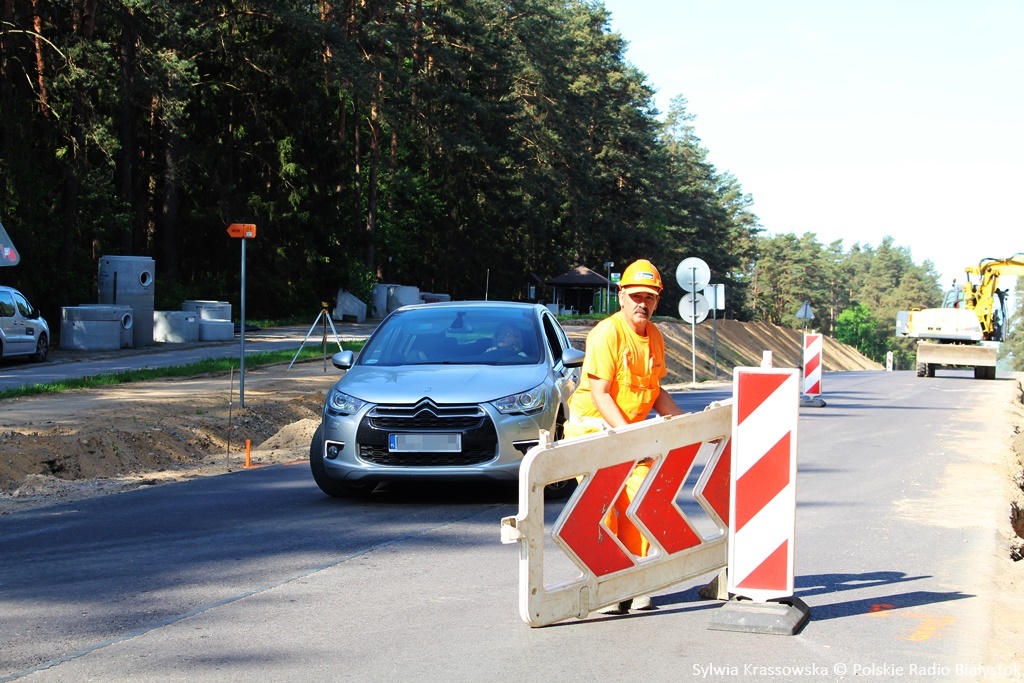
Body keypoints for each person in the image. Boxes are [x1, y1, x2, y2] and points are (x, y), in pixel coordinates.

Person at [564, 258, 684, 614]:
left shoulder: (655, 338)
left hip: (631, 433)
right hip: (593, 429)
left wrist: (686, 424)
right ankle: (608, 582)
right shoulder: (607, 334)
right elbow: (601, 395)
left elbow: (655, 390)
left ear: (657, 301)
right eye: (635, 296)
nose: (641, 303)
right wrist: (630, 437)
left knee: (641, 499)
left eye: (649, 297)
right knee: (604, 505)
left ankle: (637, 578)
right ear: (621, 295)